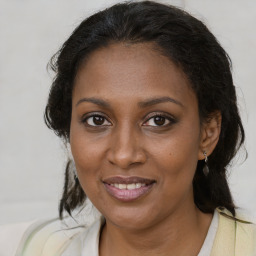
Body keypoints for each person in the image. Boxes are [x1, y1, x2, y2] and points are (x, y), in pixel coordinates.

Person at [1, 1, 255, 255]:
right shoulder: (20, 248)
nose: (123, 155)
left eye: (158, 120)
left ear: (207, 134)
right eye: (96, 120)